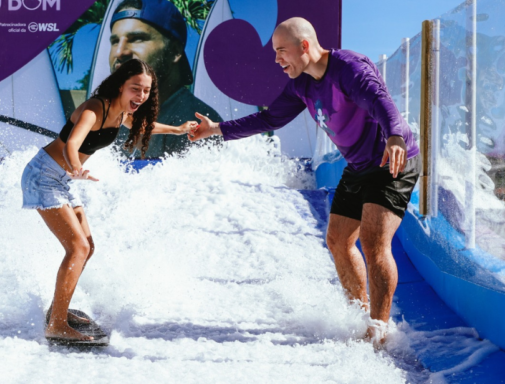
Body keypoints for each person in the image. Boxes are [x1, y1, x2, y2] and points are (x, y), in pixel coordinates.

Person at [189, 17, 420, 344]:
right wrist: (217, 130)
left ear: (305, 46)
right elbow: (270, 118)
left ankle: (380, 332)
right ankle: (360, 318)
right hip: (358, 166)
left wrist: (395, 135)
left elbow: (380, 99)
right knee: (338, 240)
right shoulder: (302, 84)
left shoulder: (349, 69)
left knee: (373, 242)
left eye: (282, 51)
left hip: (391, 160)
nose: (277, 59)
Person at [21, 59, 196, 342]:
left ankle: (59, 309)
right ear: (120, 86)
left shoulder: (120, 114)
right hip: (43, 175)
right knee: (77, 248)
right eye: (135, 88)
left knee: (87, 247)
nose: (140, 96)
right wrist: (76, 167)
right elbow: (71, 145)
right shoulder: (94, 109)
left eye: (146, 91)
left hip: (63, 179)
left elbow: (142, 128)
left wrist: (178, 130)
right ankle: (56, 325)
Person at [108, 0, 222, 159]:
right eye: (114, 41)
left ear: (175, 51)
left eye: (138, 38)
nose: (119, 52)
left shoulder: (199, 124)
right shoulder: (113, 120)